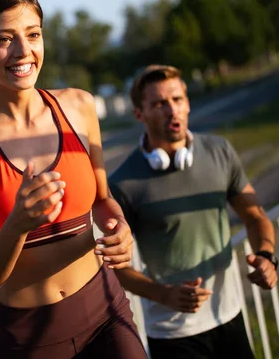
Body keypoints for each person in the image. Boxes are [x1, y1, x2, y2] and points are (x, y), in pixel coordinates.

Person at [0, 0, 147, 358]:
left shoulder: (80, 106)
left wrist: (120, 228)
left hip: (105, 311)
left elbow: (103, 200)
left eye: (33, 35)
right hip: (29, 339)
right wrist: (17, 224)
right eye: (4, 39)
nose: (23, 51)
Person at [108, 64, 278, 359]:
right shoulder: (123, 182)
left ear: (187, 103)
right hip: (172, 335)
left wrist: (266, 256)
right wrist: (163, 294)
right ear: (140, 114)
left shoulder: (220, 151)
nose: (172, 110)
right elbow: (116, 268)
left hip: (229, 316)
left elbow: (255, 216)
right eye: (159, 104)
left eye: (177, 100)